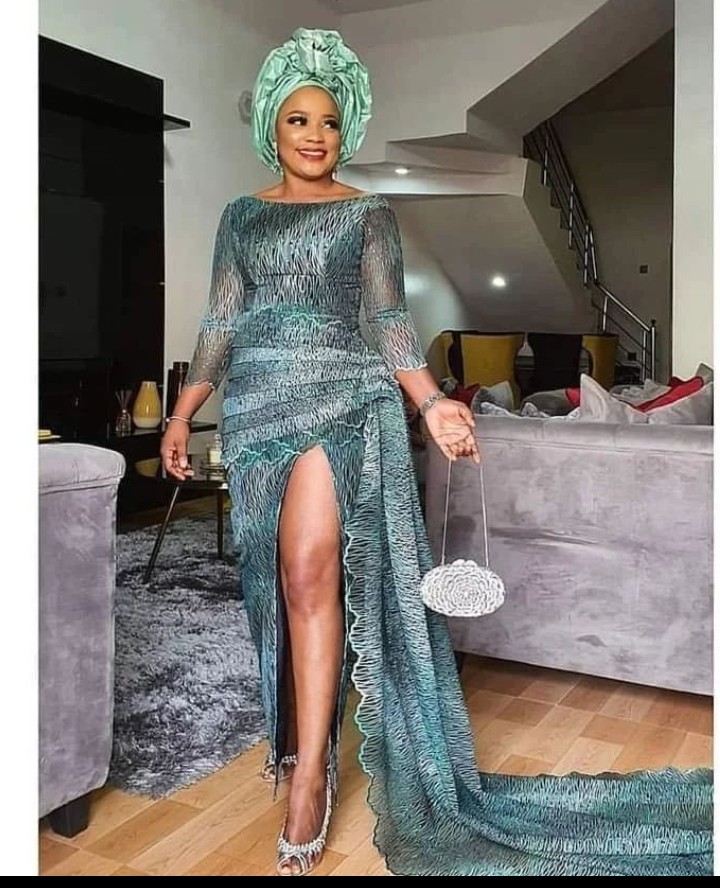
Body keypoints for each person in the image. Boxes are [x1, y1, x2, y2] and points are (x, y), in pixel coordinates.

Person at [161, 29, 712, 878]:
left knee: (310, 570)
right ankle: (302, 743)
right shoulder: (242, 216)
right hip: (257, 409)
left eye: (330, 122)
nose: (315, 135)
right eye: (300, 119)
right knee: (275, 582)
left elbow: (388, 322)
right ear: (273, 125)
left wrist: (433, 402)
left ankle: (310, 777)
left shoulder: (367, 214)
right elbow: (220, 320)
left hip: (343, 399)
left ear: (345, 132)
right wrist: (181, 413)